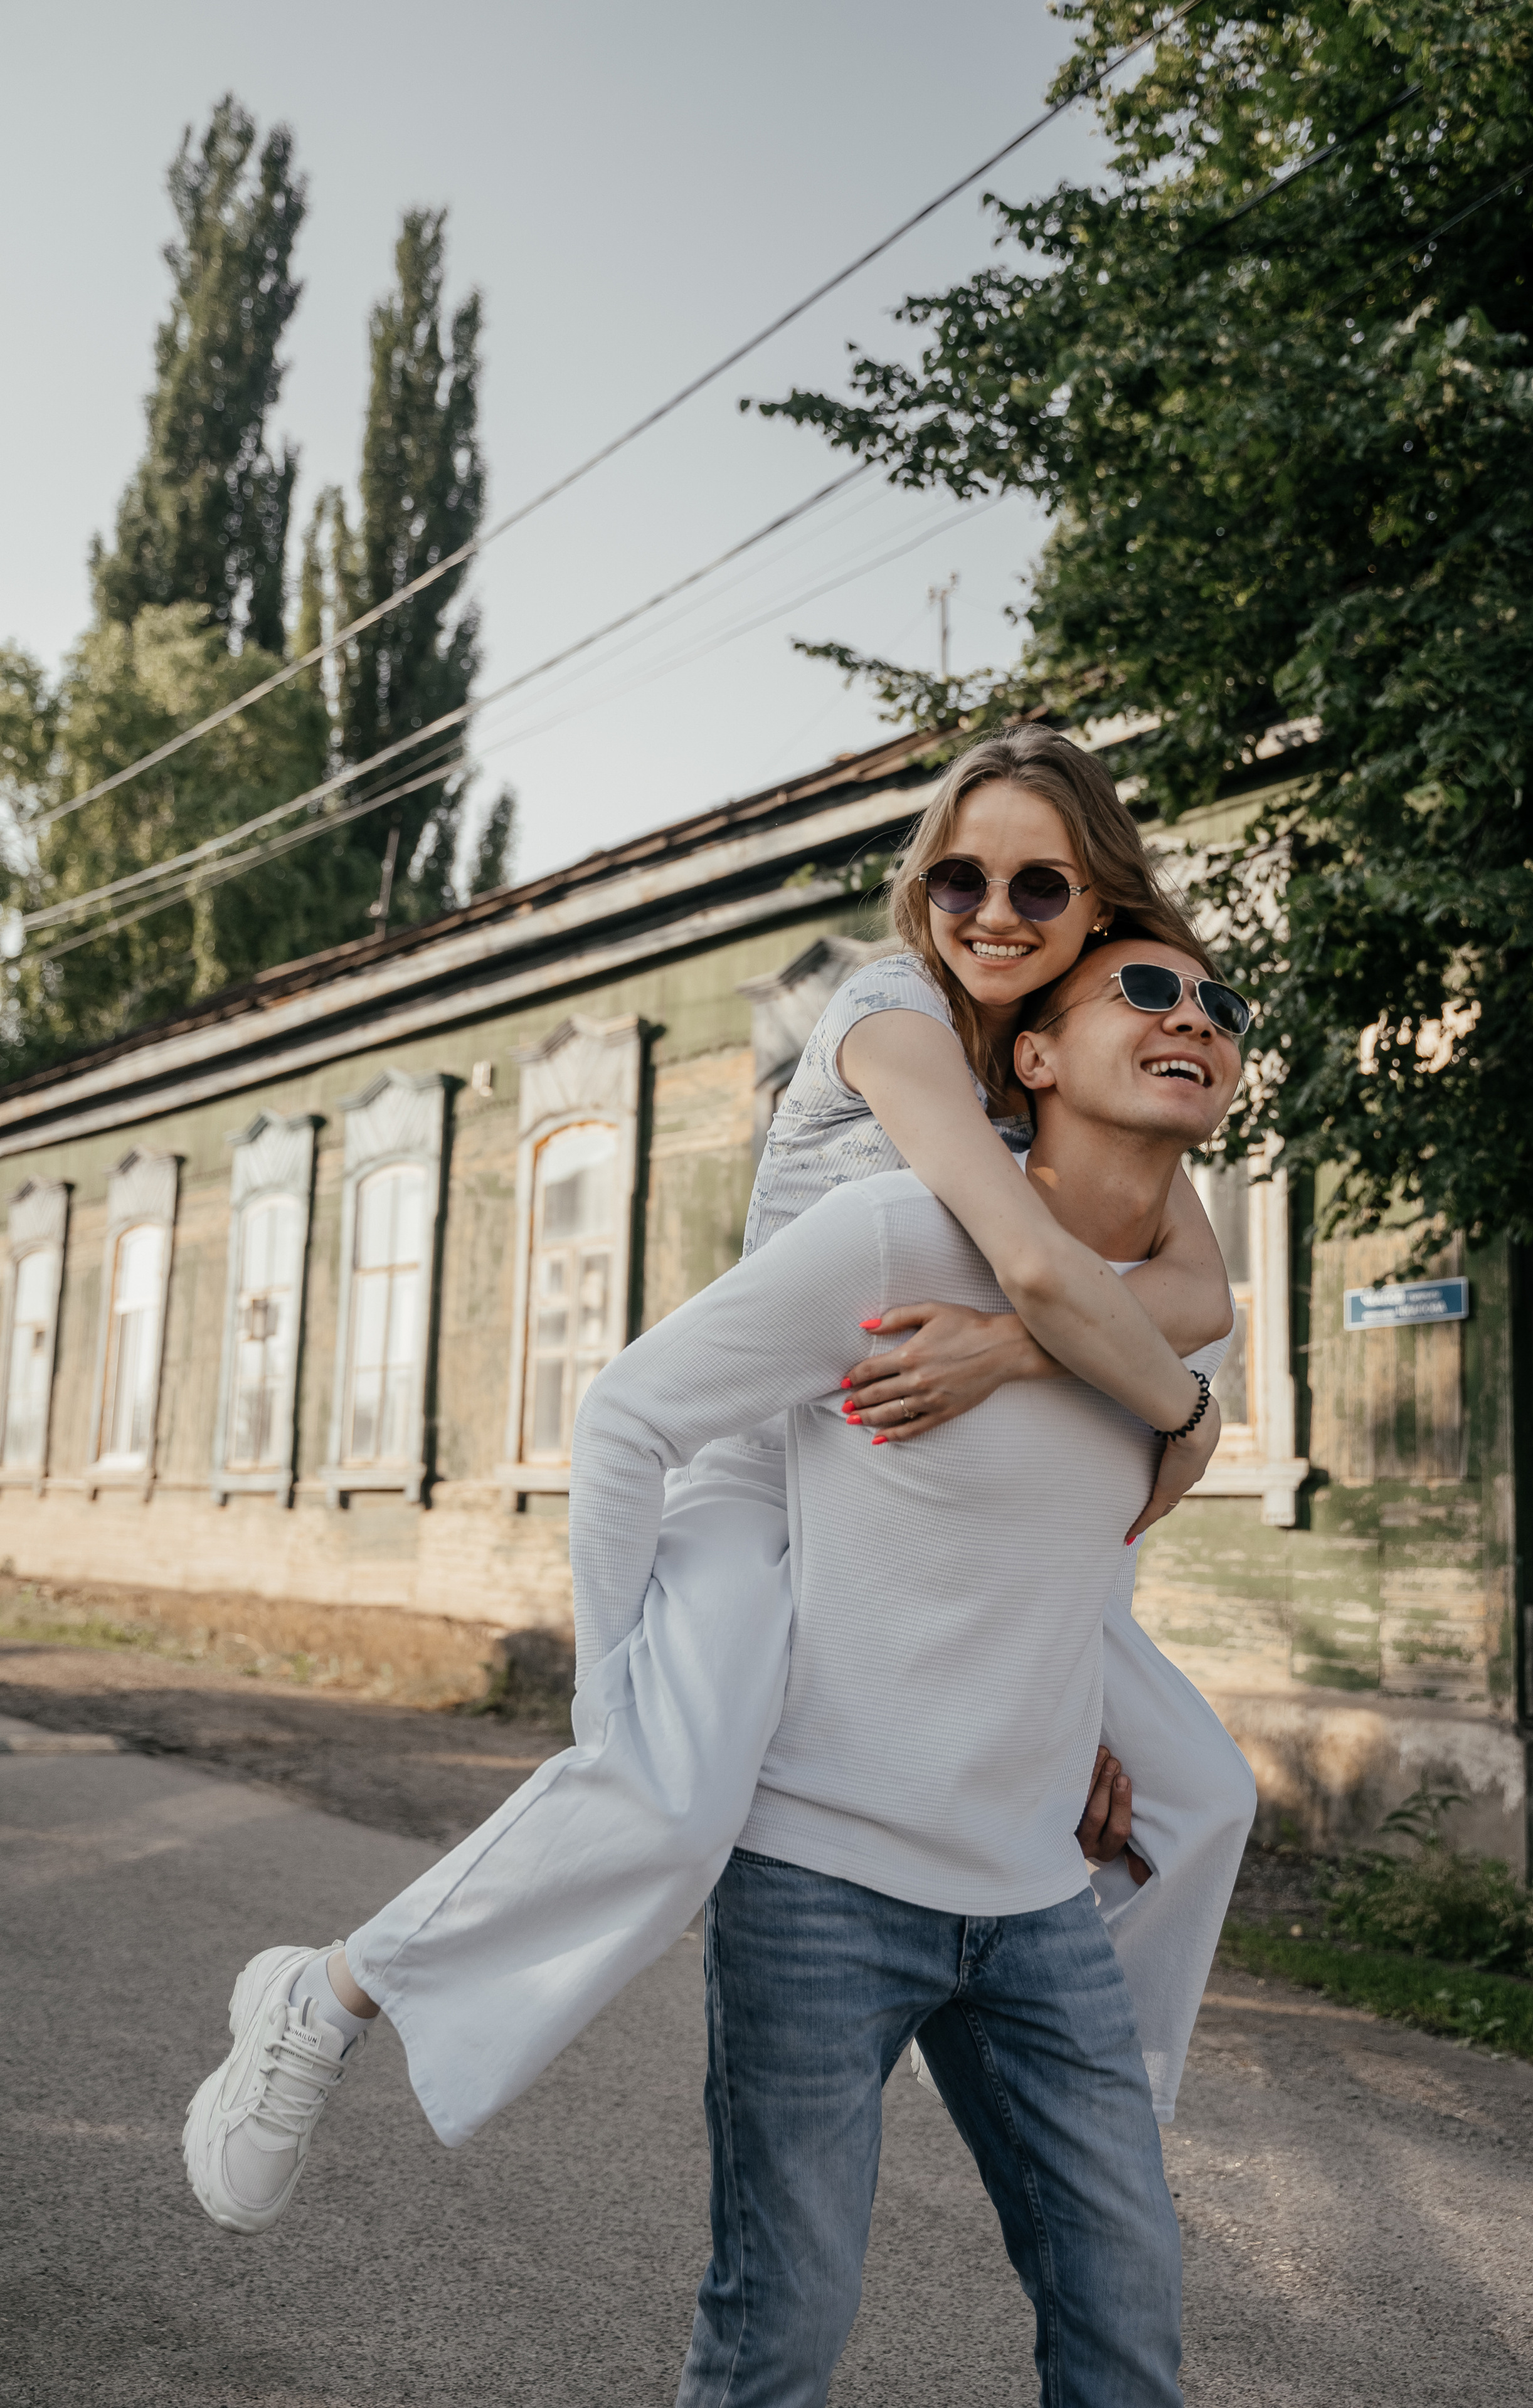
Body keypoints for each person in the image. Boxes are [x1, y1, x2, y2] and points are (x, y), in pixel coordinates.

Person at [183, 729, 1255, 2237]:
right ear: (919, 887)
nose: (993, 909)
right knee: (671, 1796)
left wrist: (1068, 1379)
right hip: (771, 1471)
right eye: (959, 873)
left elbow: (1191, 1297)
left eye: (1039, 880)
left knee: (1200, 1796)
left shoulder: (1103, 1043)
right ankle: (326, 1992)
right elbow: (1033, 1261)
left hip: (947, 1518)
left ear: (1098, 903)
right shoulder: (892, 1022)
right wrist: (611, 1695)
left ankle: (1107, 2109)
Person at [576, 931, 1248, 2404]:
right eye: (1141, 991)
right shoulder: (886, 1227)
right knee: (782, 2337)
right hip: (822, 1878)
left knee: (1126, 2329)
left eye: (1219, 1003)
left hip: (1030, 1899)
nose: (1191, 1015)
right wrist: (608, 1707)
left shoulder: (1176, 1327)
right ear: (1030, 1054)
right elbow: (626, 1419)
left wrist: (1073, 1717)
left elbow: (1065, 1556)